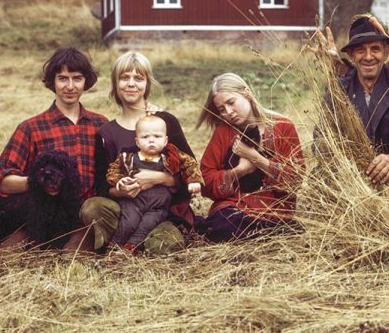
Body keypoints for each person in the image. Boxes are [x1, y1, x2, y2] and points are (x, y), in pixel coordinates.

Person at [80, 51, 199, 255]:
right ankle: (121, 241)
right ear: (115, 83)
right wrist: (120, 190)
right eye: (124, 77)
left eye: (138, 78)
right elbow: (101, 185)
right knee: (92, 207)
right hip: (126, 210)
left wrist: (159, 178)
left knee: (164, 244)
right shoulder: (106, 132)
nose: (131, 84)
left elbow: (190, 174)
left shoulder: (165, 122)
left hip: (162, 212)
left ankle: (139, 244)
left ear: (147, 83)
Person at [0, 47, 107, 249]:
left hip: (83, 217)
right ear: (52, 81)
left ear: (86, 81)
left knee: (71, 258)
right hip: (43, 216)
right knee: (5, 254)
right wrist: (41, 182)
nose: (70, 86)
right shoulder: (32, 127)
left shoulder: (100, 125)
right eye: (62, 79)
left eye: (77, 78)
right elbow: (3, 180)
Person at [197, 73, 304, 242]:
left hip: (274, 209)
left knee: (285, 226)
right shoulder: (223, 133)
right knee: (224, 225)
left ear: (247, 93)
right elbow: (205, 181)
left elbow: (295, 180)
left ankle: (270, 231)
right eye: (222, 109)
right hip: (234, 208)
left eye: (231, 102)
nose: (228, 112)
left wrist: (254, 158)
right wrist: (240, 171)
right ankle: (265, 233)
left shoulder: (283, 127)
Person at [323, 14, 389, 185]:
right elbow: (323, 136)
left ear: (386, 52)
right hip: (352, 179)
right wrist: (344, 169)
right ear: (351, 55)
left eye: (375, 49)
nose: (368, 56)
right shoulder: (339, 88)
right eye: (361, 50)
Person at [106, 114, 203, 253]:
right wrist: (119, 180)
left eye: (157, 136)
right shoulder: (128, 157)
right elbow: (113, 169)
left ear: (165, 140)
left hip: (158, 206)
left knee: (146, 225)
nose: (151, 140)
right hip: (134, 202)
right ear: (137, 142)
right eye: (145, 137)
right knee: (128, 223)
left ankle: (130, 248)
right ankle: (113, 247)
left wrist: (193, 180)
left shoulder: (171, 156)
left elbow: (190, 164)